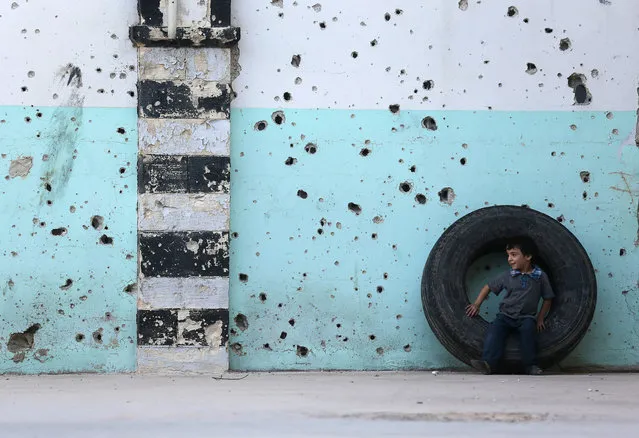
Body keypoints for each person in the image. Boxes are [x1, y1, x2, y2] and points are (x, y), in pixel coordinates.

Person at [465, 239, 554, 375]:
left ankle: (531, 366)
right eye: (508, 255)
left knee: (529, 335)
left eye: (513, 255)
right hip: (505, 315)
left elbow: (548, 298)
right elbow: (488, 287)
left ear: (528, 256)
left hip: (526, 317)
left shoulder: (540, 277)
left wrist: (540, 318)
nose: (509, 259)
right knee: (494, 333)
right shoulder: (508, 276)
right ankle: (488, 364)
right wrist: (477, 304)